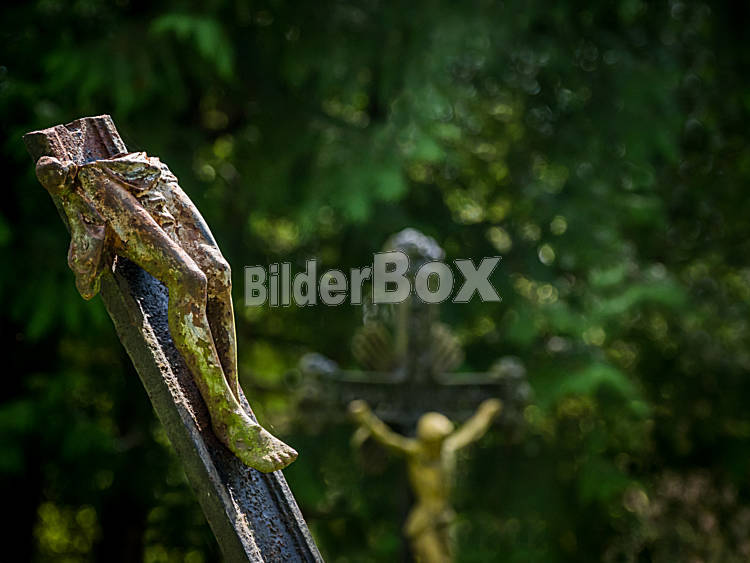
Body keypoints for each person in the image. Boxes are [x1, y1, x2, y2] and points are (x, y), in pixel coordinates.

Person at [35, 152, 297, 473]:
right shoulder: (85, 182)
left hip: (147, 171)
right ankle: (227, 414)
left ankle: (233, 407)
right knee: (189, 280)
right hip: (100, 185)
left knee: (218, 273)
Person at [349, 398, 502, 563]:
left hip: (444, 517)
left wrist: (486, 414)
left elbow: (471, 432)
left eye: (440, 441)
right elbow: (388, 438)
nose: (438, 446)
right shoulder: (416, 453)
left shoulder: (448, 450)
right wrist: (365, 417)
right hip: (424, 521)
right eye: (434, 442)